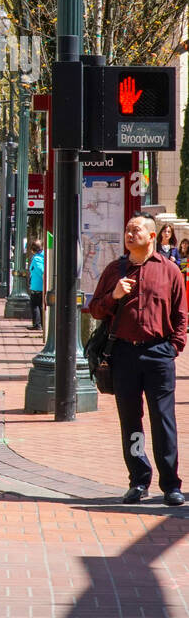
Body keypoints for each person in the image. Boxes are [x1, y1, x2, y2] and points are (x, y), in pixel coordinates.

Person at [88, 213, 188, 506]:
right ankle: (139, 480)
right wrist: (114, 296)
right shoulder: (114, 270)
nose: (130, 234)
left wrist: (174, 346)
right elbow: (95, 309)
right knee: (131, 421)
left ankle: (170, 484)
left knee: (163, 420)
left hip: (159, 354)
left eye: (136, 230)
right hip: (123, 355)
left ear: (152, 236)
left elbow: (181, 315)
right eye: (127, 230)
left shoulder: (169, 270)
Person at [28, 240, 45, 330]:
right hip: (40, 286)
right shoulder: (44, 256)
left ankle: (37, 324)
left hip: (37, 286)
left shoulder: (37, 259)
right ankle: (41, 323)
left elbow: (41, 270)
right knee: (40, 305)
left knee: (35, 305)